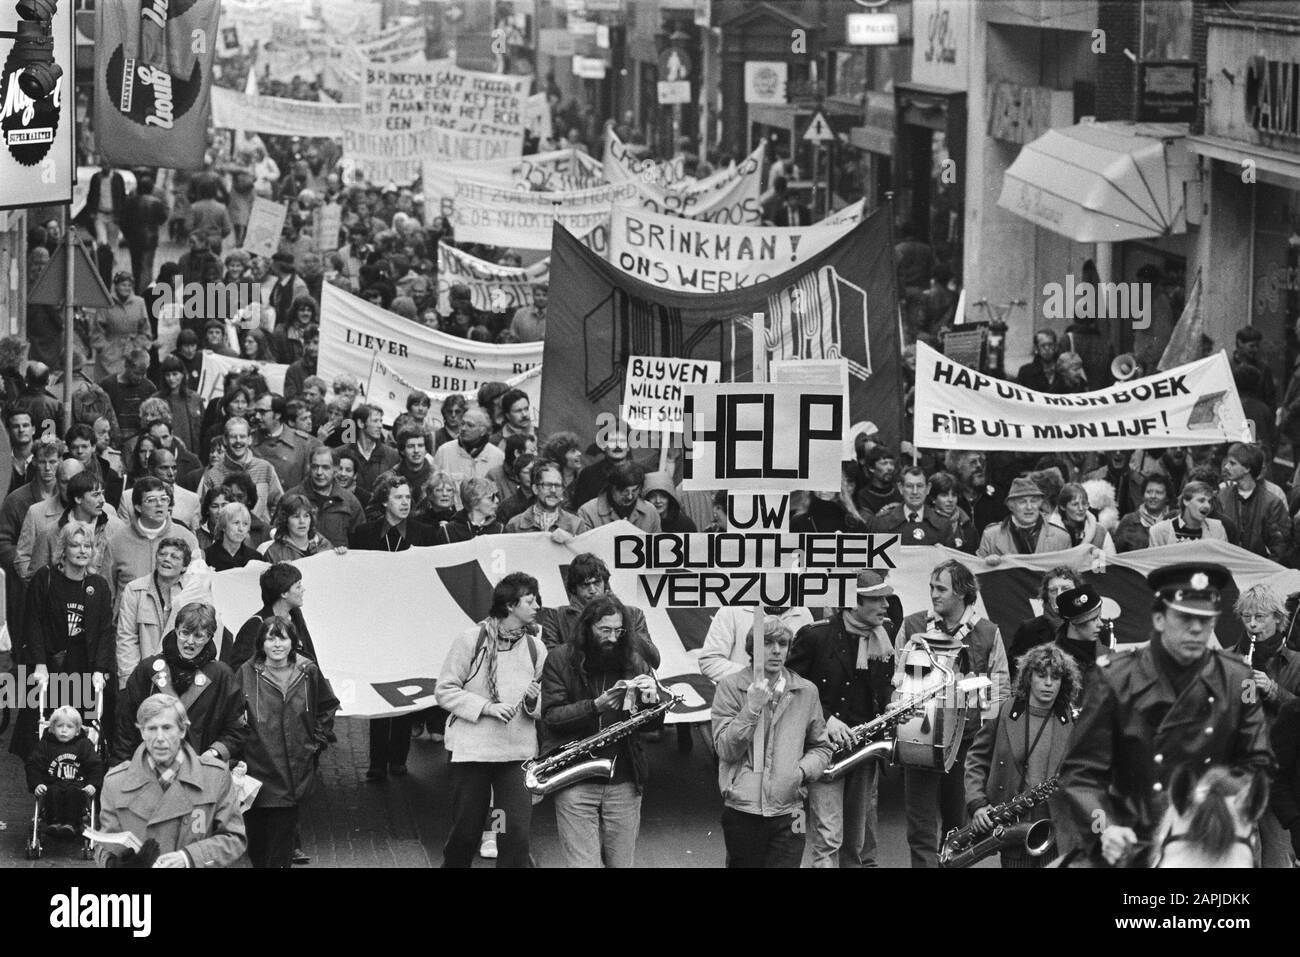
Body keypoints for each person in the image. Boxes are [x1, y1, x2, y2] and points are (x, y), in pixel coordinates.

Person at [1054, 563, 1274, 865]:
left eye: (1205, 620)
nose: (1196, 629)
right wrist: (1103, 829)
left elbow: (1257, 760)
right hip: (1134, 839)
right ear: (1159, 619)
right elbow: (1080, 774)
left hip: (1215, 836)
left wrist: (1226, 807)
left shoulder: (1238, 678)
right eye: (1185, 618)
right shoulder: (1115, 678)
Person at [894, 560, 1010, 867]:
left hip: (967, 743)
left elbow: (998, 693)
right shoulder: (912, 626)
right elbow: (895, 684)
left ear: (962, 592)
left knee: (957, 829)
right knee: (920, 828)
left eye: (941, 588)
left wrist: (988, 742)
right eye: (931, 587)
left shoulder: (987, 633)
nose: (933, 594)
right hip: (920, 737)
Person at [539, 595, 663, 867]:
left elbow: (652, 725)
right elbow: (551, 717)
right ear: (587, 628)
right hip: (575, 780)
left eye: (619, 631)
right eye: (604, 630)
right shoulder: (560, 659)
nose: (613, 638)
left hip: (624, 780)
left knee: (621, 864)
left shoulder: (632, 658)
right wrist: (595, 706)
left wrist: (652, 701)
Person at [787, 570, 900, 868]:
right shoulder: (814, 636)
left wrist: (893, 702)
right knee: (828, 839)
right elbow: (788, 690)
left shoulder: (884, 633)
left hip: (863, 752)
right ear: (853, 602)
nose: (886, 605)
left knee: (854, 844)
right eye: (877, 599)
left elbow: (886, 684)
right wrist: (825, 719)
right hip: (822, 750)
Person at [435, 572, 547, 868]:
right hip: (474, 753)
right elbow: (445, 691)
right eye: (529, 600)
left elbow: (541, 706)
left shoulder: (537, 648)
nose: (536, 605)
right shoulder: (471, 641)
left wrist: (534, 702)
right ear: (510, 605)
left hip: (515, 754)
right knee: (467, 831)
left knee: (513, 833)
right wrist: (486, 707)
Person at [712, 616, 833, 867]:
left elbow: (821, 747)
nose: (777, 650)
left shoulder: (805, 690)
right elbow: (725, 748)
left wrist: (799, 772)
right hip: (743, 809)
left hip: (792, 809)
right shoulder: (731, 687)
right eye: (767, 643)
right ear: (752, 648)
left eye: (783, 643)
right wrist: (751, 708)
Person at [964, 644, 1081, 868]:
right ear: (1029, 677)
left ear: (1063, 682)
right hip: (1013, 828)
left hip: (1055, 829)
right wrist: (977, 804)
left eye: (1055, 677)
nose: (1048, 683)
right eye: (1041, 675)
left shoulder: (1073, 721)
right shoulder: (1004, 711)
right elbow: (976, 760)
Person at [235, 616, 338, 868]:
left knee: (281, 849)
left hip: (293, 775)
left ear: (293, 642)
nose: (277, 644)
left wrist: (316, 742)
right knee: (258, 845)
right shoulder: (246, 673)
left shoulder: (308, 671)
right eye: (270, 637)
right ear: (261, 643)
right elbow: (232, 715)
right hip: (257, 773)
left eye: (282, 637)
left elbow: (327, 705)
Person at [97, 694, 247, 868]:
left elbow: (234, 839)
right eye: (152, 729)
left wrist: (189, 858)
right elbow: (104, 844)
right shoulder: (115, 782)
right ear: (142, 732)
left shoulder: (215, 776)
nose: (160, 738)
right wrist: (117, 864)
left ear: (182, 730)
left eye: (167, 728)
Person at [1233, 585, 1300, 867]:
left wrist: (1273, 690)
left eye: (1259, 617)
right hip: (1237, 775)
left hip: (1279, 778)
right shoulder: (1224, 659)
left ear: (1278, 619)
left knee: (1278, 858)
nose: (1252, 624)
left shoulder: (1297, 663)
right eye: (1246, 617)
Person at [116, 537, 192, 690]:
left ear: (184, 567)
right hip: (142, 676)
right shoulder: (134, 589)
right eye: (162, 554)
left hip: (180, 679)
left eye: (175, 557)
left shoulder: (191, 592)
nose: (166, 559)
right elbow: (126, 638)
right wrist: (129, 681)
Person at [26, 705, 105, 838]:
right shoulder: (46, 744)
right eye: (59, 726)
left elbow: (95, 765)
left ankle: (71, 824)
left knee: (75, 793)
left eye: (69, 727)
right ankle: (54, 822)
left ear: (77, 731)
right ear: (51, 728)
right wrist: (37, 784)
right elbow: (33, 765)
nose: (64, 730)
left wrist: (93, 784)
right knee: (51, 792)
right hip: (52, 783)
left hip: (77, 785)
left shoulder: (83, 744)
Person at [197, 416, 284, 528]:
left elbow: (280, 504)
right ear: (225, 439)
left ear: (250, 439)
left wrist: (270, 529)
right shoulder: (212, 475)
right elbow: (201, 511)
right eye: (233, 437)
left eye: (242, 436)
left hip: (259, 537)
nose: (238, 441)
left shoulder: (265, 468)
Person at [1006, 567, 1084, 682]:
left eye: (1066, 589)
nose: (1059, 595)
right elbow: (1012, 673)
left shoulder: (1091, 628)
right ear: (1047, 596)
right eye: (1053, 591)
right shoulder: (1029, 630)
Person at [1218, 442, 1290, 560]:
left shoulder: (1272, 503)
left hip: (1261, 570)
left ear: (1247, 468)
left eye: (1232, 463)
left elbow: (1280, 546)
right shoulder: (1222, 496)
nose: (1226, 467)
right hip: (1228, 566)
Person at [286, 446, 365, 548]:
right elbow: (275, 535)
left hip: (337, 562)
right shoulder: (291, 498)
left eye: (325, 467)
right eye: (315, 467)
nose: (319, 472)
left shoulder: (349, 502)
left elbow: (360, 543)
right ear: (309, 467)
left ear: (336, 469)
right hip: (299, 562)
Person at [977, 477, 1072, 561]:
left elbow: (1070, 575)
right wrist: (986, 562)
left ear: (1040, 503)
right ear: (1011, 506)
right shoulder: (991, 536)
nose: (1029, 507)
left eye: (1034, 501)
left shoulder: (1061, 538)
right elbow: (978, 574)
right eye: (1022, 502)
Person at [870, 466, 956, 546]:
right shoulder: (882, 523)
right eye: (909, 486)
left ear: (928, 488)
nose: (915, 492)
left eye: (919, 486)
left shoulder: (943, 524)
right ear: (900, 488)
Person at [351, 474, 437, 553]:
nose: (405, 502)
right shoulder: (364, 533)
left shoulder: (426, 533)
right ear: (385, 501)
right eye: (398, 497)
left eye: (408, 497)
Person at [252, 393, 321, 492]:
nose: (257, 416)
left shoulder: (304, 444)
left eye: (262, 412)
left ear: (278, 415)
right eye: (256, 411)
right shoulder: (248, 440)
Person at [92, 276, 153, 383]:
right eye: (123, 285)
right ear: (116, 286)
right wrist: (104, 349)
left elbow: (145, 330)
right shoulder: (105, 302)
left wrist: (138, 347)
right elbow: (97, 331)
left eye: (129, 285)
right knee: (109, 385)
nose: (126, 288)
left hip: (133, 350)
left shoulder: (139, 303)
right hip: (110, 353)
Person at [335, 404, 399, 503]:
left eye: (381, 421)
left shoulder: (392, 456)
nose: (380, 425)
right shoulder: (340, 453)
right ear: (361, 423)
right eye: (375, 421)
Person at [1051, 584, 1108, 696]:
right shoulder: (1051, 659)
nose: (1100, 624)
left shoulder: (1109, 655)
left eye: (1099, 618)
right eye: (1093, 619)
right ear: (1074, 623)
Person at [576, 460, 661, 533]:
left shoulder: (650, 511)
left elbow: (658, 548)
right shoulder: (587, 512)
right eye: (624, 492)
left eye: (635, 491)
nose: (630, 497)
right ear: (611, 488)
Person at [430, 406, 503, 488]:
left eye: (470, 425)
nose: (464, 428)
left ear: (483, 431)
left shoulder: (497, 456)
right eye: (462, 423)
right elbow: (432, 486)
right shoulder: (444, 451)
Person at [1148, 480, 1229, 546]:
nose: (1207, 506)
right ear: (1186, 501)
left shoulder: (1217, 528)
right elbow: (1153, 563)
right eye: (1201, 500)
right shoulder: (1159, 531)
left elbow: (1223, 561)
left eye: (1209, 502)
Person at [265, 493, 342, 561]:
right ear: (285, 520)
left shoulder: (324, 544)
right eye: (296, 516)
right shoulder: (274, 553)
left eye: (306, 516)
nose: (302, 521)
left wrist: (341, 556)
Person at [1113, 472, 1176, 552]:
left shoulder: (1174, 520)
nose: (1153, 496)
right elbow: (1116, 555)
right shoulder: (1129, 520)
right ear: (1143, 495)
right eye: (1149, 492)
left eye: (1159, 493)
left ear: (1167, 497)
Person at [1047, 482, 1116, 554]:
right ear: (1063, 506)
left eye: (1084, 503)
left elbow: (1112, 562)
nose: (1081, 508)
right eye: (1075, 504)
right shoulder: (1049, 533)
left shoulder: (1100, 532)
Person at [434, 477, 504, 544]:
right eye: (490, 498)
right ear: (474, 502)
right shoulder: (448, 532)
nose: (497, 500)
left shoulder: (499, 530)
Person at [925, 471, 977, 552]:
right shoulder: (924, 523)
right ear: (933, 498)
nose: (950, 500)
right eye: (944, 495)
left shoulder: (966, 525)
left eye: (954, 495)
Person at [205, 501, 259, 572]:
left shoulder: (255, 558)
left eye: (245, 524)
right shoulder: (207, 556)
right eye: (236, 523)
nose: (241, 529)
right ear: (223, 526)